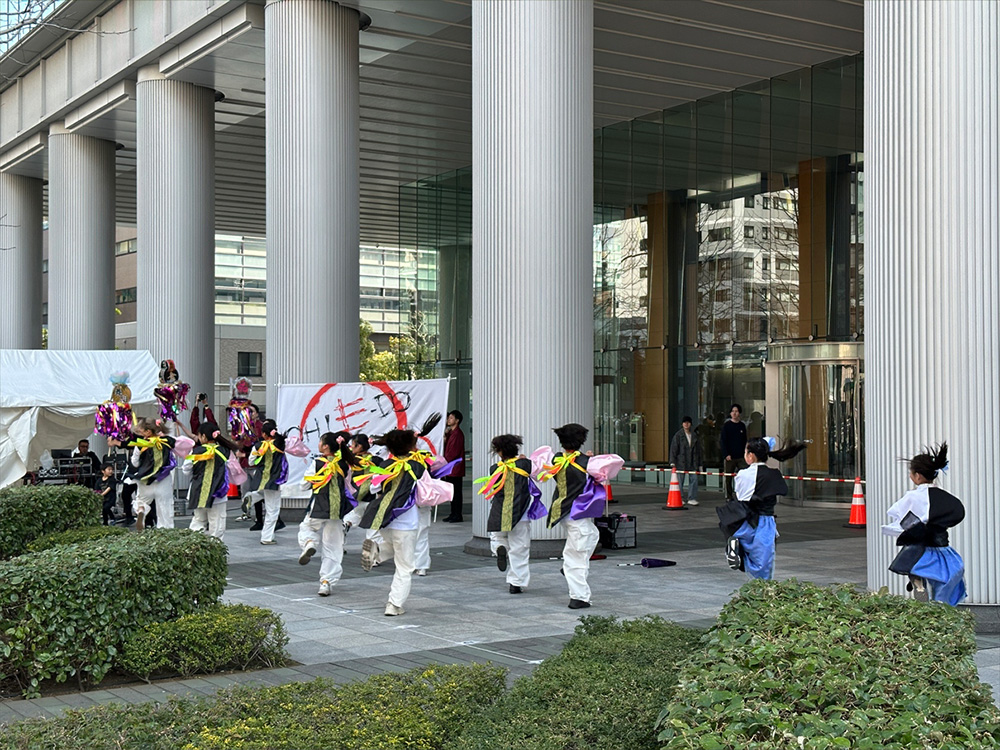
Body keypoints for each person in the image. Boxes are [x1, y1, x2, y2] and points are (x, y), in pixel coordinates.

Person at [356, 414, 450, 616]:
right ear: (410, 446)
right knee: (405, 566)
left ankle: (376, 553)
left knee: (391, 545)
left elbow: (372, 489)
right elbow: (426, 492)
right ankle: (394, 604)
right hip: (407, 522)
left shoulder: (384, 465)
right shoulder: (417, 466)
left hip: (385, 520)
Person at [533, 423, 623, 610]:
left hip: (563, 510)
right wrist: (588, 460)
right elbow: (610, 469)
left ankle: (569, 571)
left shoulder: (556, 459)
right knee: (577, 554)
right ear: (581, 441)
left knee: (590, 537)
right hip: (577, 512)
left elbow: (538, 468)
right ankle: (579, 597)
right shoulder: (587, 463)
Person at [881, 442, 966, 605]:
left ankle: (918, 586)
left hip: (919, 549)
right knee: (947, 581)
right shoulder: (945, 497)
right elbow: (958, 513)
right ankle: (942, 606)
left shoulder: (913, 497)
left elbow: (899, 516)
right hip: (942, 548)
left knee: (915, 568)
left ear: (917, 476)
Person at [719, 437, 807, 580]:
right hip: (766, 521)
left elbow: (741, 497)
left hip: (745, 520)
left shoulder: (743, 474)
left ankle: (737, 548)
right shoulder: (774, 474)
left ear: (751, 455)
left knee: (749, 549)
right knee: (764, 563)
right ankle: (761, 589)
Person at [476, 434, 546, 594]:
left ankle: (499, 547)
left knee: (498, 536)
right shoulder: (524, 465)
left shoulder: (495, 469)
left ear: (499, 452)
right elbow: (539, 470)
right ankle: (516, 583)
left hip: (500, 512)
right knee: (520, 547)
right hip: (520, 513)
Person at [298, 431, 360, 597]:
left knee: (306, 527)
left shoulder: (318, 463)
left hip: (318, 507)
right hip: (337, 510)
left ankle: (310, 542)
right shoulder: (344, 464)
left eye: (321, 442)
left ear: (325, 446)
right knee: (333, 546)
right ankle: (326, 582)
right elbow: (349, 485)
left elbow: (303, 485)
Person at [122, 418, 180, 531]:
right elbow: (180, 447)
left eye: (141, 432)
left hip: (145, 481)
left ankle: (141, 510)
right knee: (165, 508)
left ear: (148, 432)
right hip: (163, 479)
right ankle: (166, 534)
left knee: (142, 501)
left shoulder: (140, 444)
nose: (140, 435)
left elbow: (135, 462)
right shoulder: (167, 441)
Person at [183, 423, 236, 541]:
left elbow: (186, 470)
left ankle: (194, 548)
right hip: (218, 494)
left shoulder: (196, 451)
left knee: (198, 521)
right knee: (217, 525)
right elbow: (233, 470)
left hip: (197, 491)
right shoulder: (225, 451)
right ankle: (216, 551)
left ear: (203, 436)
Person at [344, 434, 384, 567]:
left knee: (352, 517)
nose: (351, 447)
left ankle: (347, 526)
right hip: (373, 498)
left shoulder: (351, 460)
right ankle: (373, 558)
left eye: (353, 444)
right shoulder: (376, 460)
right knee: (373, 529)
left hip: (355, 498)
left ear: (359, 446)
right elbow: (383, 477)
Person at [247, 420, 289, 545]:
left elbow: (251, 462)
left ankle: (250, 498)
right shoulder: (280, 444)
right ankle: (267, 537)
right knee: (272, 510)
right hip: (274, 480)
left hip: (260, 479)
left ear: (264, 434)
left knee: (261, 493)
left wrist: (260, 463)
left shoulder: (258, 446)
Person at [668, 416, 703, 506]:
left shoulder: (695, 436)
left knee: (694, 480)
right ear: (682, 424)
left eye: (688, 422)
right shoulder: (678, 435)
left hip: (693, 461)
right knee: (679, 481)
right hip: (681, 461)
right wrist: (672, 461)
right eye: (684, 422)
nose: (686, 424)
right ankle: (680, 498)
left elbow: (699, 451)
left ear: (691, 424)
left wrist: (700, 464)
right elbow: (673, 449)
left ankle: (692, 498)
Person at [441, 409, 466, 522]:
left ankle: (457, 514)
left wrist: (444, 462)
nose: (448, 420)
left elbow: (452, 453)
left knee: (456, 492)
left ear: (457, 420)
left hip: (454, 467)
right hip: (451, 467)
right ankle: (453, 513)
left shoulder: (457, 434)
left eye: (451, 418)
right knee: (453, 491)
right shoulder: (451, 433)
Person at [720, 404, 748, 500]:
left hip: (741, 456)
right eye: (733, 411)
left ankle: (742, 494)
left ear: (739, 413)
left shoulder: (742, 426)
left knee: (743, 476)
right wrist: (726, 454)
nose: (734, 413)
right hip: (730, 456)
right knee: (728, 477)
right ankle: (729, 496)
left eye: (736, 411)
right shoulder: (727, 426)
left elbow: (745, 441)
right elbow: (723, 441)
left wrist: (746, 453)